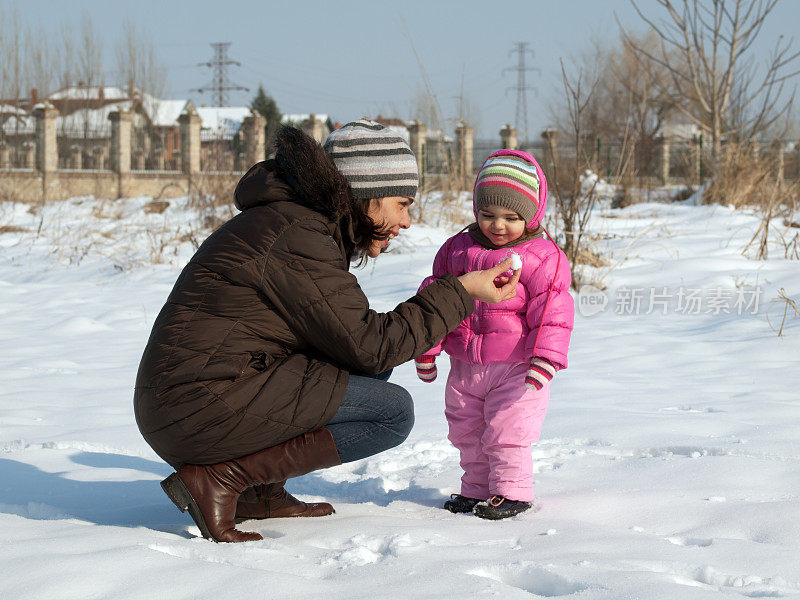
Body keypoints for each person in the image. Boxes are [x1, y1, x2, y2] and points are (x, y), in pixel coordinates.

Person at [134, 120, 521, 543]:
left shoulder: (298, 224)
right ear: (366, 194)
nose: (407, 221)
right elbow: (370, 345)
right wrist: (461, 292)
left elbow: (355, 347)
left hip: (199, 397)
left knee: (369, 375)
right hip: (196, 405)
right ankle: (222, 478)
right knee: (391, 412)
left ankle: (258, 494)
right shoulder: (297, 234)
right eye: (402, 203)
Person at [414, 149, 574, 520]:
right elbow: (435, 296)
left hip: (516, 367)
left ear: (532, 216)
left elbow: (554, 310)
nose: (497, 225)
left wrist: (546, 358)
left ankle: (512, 491)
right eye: (488, 215)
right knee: (466, 430)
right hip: (465, 365)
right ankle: (477, 490)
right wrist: (428, 346)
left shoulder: (541, 257)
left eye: (511, 217)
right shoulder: (457, 249)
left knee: (507, 429)